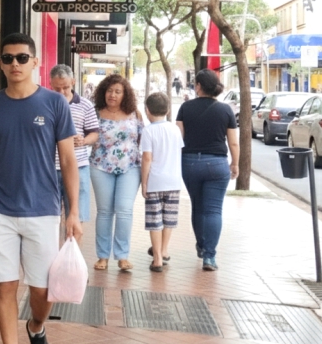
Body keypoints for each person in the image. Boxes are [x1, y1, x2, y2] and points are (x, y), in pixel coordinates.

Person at [0, 33, 81, 344]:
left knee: (42, 291)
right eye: (8, 58)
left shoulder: (54, 103)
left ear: (35, 62)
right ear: (0, 63)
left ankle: (36, 327)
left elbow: (68, 160)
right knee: (5, 285)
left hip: (42, 208)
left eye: (22, 58)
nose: (15, 64)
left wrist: (73, 212)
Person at [175, 69, 239, 272]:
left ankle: (201, 246)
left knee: (197, 206)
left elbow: (179, 139)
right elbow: (234, 143)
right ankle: (209, 257)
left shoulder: (185, 108)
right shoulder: (226, 110)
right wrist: (235, 163)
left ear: (199, 86)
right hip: (217, 164)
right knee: (213, 210)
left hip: (190, 163)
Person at [90, 73, 143, 272]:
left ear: (125, 95)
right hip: (101, 166)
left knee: (124, 210)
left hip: (130, 167)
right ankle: (102, 256)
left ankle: (122, 256)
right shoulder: (95, 113)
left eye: (118, 91)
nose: (113, 95)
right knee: (104, 212)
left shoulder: (135, 114)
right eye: (110, 91)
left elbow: (143, 141)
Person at [50, 64, 99, 238]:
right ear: (50, 84)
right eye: (57, 89)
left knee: (76, 218)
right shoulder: (46, 104)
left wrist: (84, 141)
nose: (62, 92)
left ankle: (71, 261)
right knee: (49, 219)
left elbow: (94, 133)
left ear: (73, 81)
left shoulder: (85, 105)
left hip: (78, 167)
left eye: (66, 87)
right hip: (49, 168)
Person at [140, 92, 184, 273]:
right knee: (169, 219)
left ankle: (157, 258)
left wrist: (144, 182)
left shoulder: (148, 131)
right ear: (167, 110)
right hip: (174, 181)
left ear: (147, 110)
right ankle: (164, 251)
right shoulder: (175, 129)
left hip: (155, 182)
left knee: (154, 220)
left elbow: (147, 158)